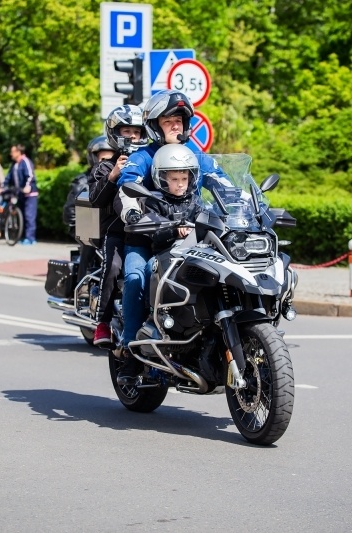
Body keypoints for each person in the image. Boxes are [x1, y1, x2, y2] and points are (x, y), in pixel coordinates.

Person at [113, 90, 228, 381]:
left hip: (190, 236)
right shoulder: (143, 156)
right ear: (154, 125)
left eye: (178, 119)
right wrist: (132, 212)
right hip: (147, 237)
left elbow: (224, 183)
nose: (175, 125)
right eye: (168, 121)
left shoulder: (196, 156)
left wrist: (249, 206)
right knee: (136, 277)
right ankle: (129, 349)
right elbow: (127, 186)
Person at [114, 144, 203, 383]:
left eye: (184, 177)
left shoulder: (195, 201)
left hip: (189, 256)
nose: (180, 183)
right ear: (162, 178)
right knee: (138, 277)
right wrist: (172, 230)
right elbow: (153, 231)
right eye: (174, 178)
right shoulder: (154, 199)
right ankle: (131, 348)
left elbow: (210, 217)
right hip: (157, 251)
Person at [88, 105, 147, 347]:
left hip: (148, 232)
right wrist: (113, 174)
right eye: (126, 131)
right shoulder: (104, 166)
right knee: (113, 267)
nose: (132, 136)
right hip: (117, 232)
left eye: (136, 131)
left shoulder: (148, 162)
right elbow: (95, 199)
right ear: (114, 133)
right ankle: (102, 322)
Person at [63, 136, 114, 282]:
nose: (107, 163)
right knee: (89, 237)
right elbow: (70, 213)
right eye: (103, 159)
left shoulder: (118, 177)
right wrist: (78, 226)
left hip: (109, 226)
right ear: (93, 158)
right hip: (87, 228)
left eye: (111, 159)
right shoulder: (83, 181)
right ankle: (83, 286)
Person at [3, 144, 38, 245]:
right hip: (20, 193)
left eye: (13, 151)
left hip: (30, 194)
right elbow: (8, 177)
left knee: (29, 216)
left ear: (18, 152)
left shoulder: (25, 162)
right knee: (21, 214)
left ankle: (31, 238)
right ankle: (23, 237)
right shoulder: (14, 165)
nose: (11, 154)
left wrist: (28, 186)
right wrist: (3, 187)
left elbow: (30, 176)